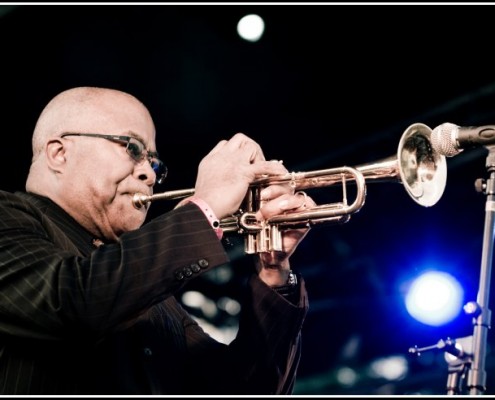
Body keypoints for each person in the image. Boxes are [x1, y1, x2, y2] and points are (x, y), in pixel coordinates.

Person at [0, 86, 315, 395]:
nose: (149, 175)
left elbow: (244, 390)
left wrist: (273, 270)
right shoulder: (8, 215)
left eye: (154, 164)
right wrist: (205, 207)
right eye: (133, 148)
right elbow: (70, 301)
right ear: (59, 153)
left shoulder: (155, 301)